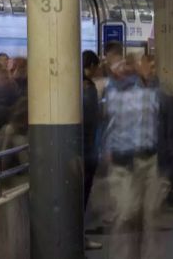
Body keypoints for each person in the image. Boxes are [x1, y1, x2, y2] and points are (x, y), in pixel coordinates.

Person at [104, 54, 167, 259]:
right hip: (124, 164)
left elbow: (162, 120)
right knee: (126, 216)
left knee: (150, 218)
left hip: (150, 160)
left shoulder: (152, 91)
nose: (152, 68)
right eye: (149, 64)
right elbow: (106, 121)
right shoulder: (113, 90)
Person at [81, 50, 102, 250]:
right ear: (93, 66)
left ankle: (79, 235)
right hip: (87, 150)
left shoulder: (73, 85)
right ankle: (80, 237)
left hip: (78, 150)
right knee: (82, 196)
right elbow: (91, 121)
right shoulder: (89, 89)